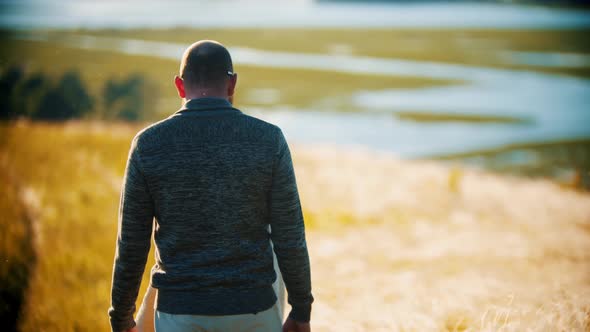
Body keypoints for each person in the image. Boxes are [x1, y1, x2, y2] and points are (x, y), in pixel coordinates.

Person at [108, 40, 314, 332]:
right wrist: (301, 309)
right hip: (254, 311)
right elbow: (290, 235)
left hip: (179, 314)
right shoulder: (270, 140)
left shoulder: (148, 145)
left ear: (180, 86)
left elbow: (131, 244)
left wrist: (121, 318)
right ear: (232, 84)